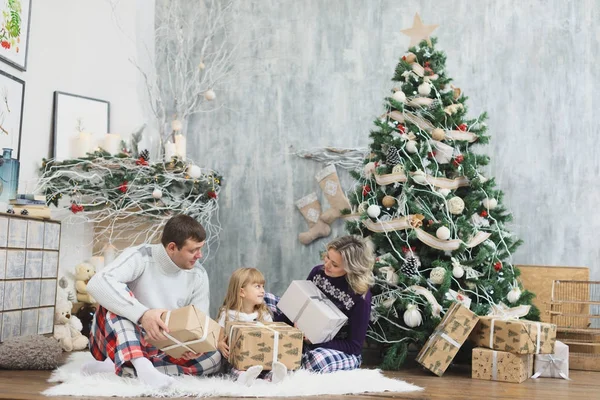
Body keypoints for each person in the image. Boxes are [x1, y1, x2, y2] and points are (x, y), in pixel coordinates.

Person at [82, 214, 221, 389]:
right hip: (119, 338)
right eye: (193, 250)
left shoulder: (198, 274)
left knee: (214, 358)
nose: (199, 255)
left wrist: (195, 344)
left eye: (200, 248)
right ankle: (138, 364)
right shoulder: (140, 256)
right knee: (117, 300)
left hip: (162, 346)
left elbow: (200, 321)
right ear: (172, 247)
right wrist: (143, 315)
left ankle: (132, 368)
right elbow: (97, 283)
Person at [267, 235, 374, 373]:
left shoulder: (361, 297)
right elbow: (300, 306)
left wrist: (315, 341)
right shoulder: (318, 272)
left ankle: (292, 361)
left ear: (351, 269)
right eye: (327, 257)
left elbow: (354, 346)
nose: (327, 265)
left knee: (317, 361)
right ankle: (290, 354)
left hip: (335, 349)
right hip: (304, 336)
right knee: (264, 299)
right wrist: (272, 325)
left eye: (335, 264)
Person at [217, 267, 288, 385]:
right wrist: (220, 345)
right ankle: (244, 378)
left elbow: (272, 337)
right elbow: (219, 338)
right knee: (234, 369)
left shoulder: (263, 315)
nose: (263, 291)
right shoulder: (228, 314)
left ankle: (274, 377)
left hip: (260, 357)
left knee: (267, 368)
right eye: (257, 287)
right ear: (242, 292)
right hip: (237, 360)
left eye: (263, 286)